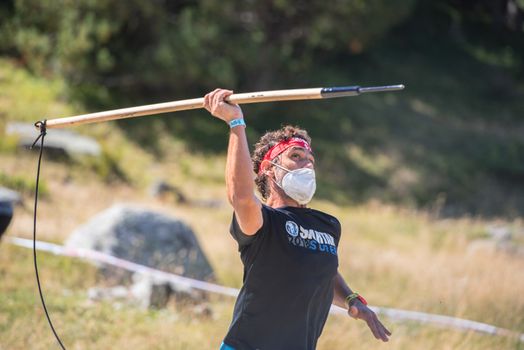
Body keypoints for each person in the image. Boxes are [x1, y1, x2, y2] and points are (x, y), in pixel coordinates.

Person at [204, 88, 391, 350]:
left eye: (310, 160)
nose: (307, 164)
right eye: (296, 157)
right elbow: (242, 197)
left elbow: (322, 268)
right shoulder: (263, 223)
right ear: (269, 169)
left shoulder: (328, 225)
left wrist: (351, 300)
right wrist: (236, 123)